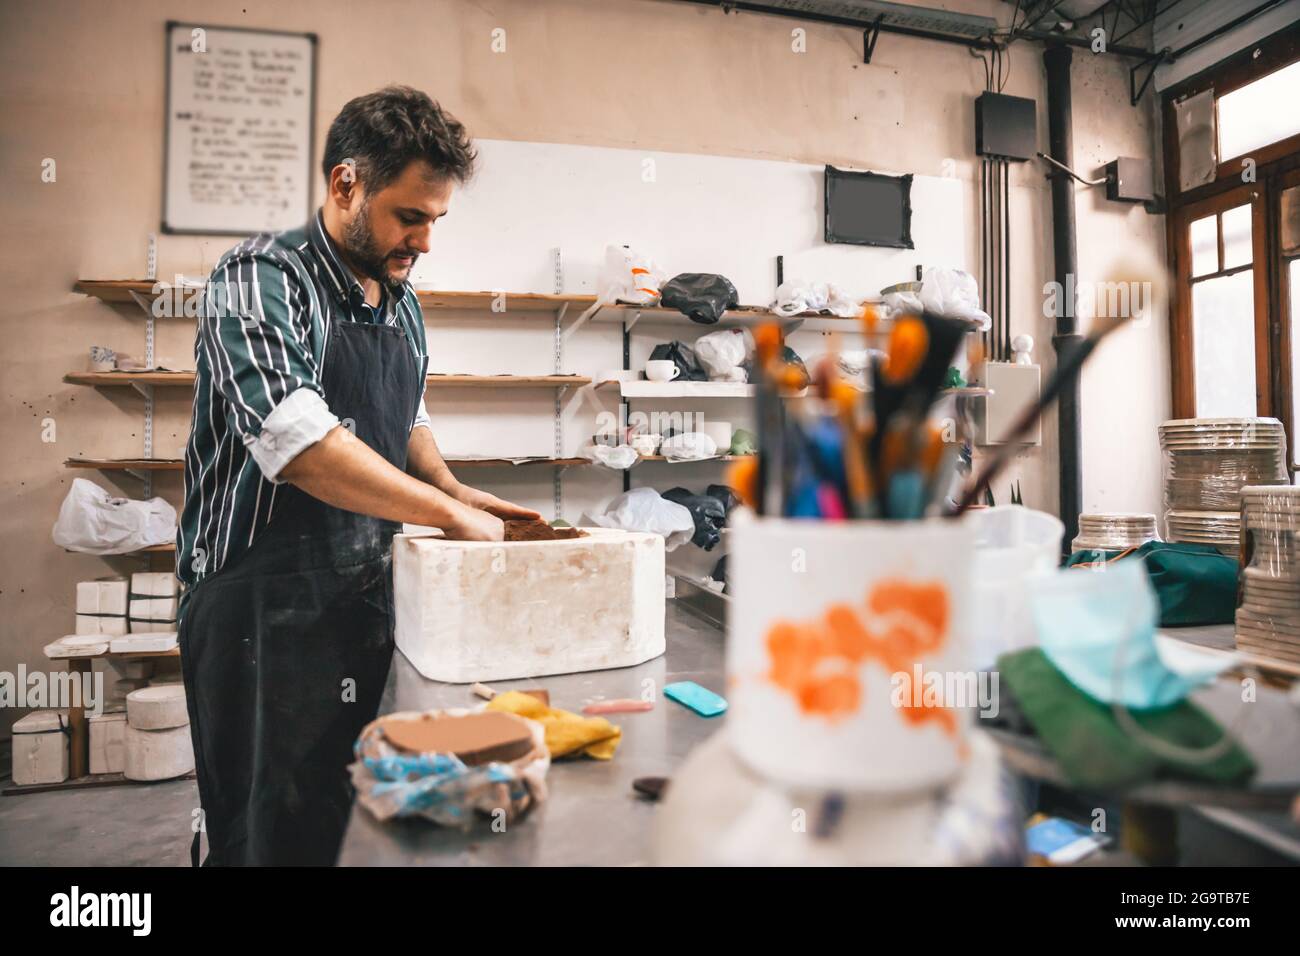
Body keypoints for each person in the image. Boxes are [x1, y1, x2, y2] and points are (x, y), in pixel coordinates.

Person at [175, 86, 539, 865]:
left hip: (360, 597)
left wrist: (454, 490)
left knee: (347, 817)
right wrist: (444, 519)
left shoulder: (400, 299)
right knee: (263, 826)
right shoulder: (259, 278)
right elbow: (299, 442)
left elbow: (406, 417)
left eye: (436, 220)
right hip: (258, 609)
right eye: (411, 216)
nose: (427, 241)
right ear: (346, 185)